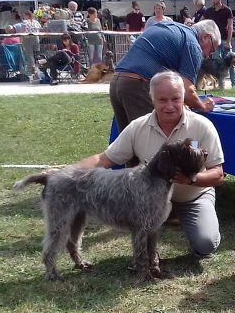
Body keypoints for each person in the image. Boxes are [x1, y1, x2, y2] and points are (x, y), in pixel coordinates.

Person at [73, 71, 225, 257]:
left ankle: (176, 216)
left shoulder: (202, 126)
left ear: (183, 98)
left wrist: (191, 180)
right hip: (151, 200)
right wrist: (69, 173)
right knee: (138, 219)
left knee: (206, 244)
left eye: (175, 99)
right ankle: (163, 221)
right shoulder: (138, 127)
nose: (169, 106)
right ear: (152, 100)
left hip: (192, 197)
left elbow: (218, 174)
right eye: (162, 100)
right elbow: (104, 159)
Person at [109, 19, 219, 132]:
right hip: (137, 85)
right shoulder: (193, 44)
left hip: (117, 81)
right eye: (212, 50)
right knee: (150, 138)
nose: (207, 56)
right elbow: (187, 90)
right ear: (206, 37)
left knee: (128, 140)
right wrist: (202, 106)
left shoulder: (170, 26)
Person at [202, 0, 235, 89]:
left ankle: (234, 84)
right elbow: (201, 22)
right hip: (214, 41)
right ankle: (218, 84)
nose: (213, 0)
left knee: (231, 62)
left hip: (225, 39)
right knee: (216, 63)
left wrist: (228, 41)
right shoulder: (209, 10)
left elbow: (230, 26)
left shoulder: (227, 10)